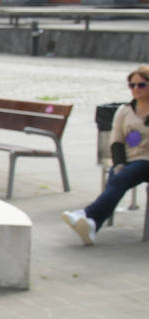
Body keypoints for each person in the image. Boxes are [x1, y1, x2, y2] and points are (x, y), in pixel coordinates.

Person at [62, 65, 149, 245]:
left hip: (146, 161)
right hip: (129, 160)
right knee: (117, 177)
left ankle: (86, 214)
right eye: (132, 85)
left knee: (119, 179)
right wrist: (119, 163)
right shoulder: (125, 111)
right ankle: (92, 225)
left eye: (141, 85)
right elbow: (116, 141)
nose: (135, 89)